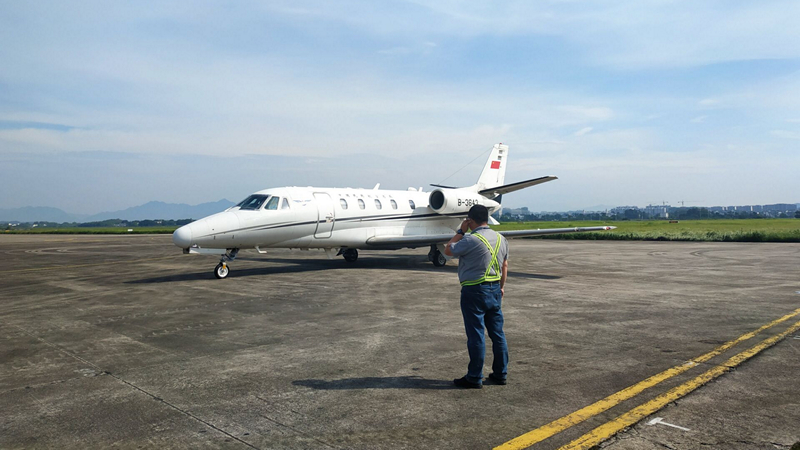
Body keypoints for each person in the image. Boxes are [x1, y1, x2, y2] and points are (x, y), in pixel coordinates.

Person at [445, 205, 509, 389]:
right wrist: (501, 288)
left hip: (474, 290)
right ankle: (500, 373)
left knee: (476, 335)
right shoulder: (501, 239)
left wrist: (460, 231)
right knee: (497, 334)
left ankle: (474, 377)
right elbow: (504, 266)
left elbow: (448, 250)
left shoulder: (471, 239)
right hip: (495, 289)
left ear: (470, 221)